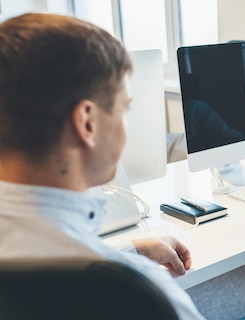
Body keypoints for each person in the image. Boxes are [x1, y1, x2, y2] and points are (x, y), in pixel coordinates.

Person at [0, 13, 204, 319]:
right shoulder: (138, 292)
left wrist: (129, 249)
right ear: (87, 123)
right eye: (125, 110)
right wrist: (121, 263)